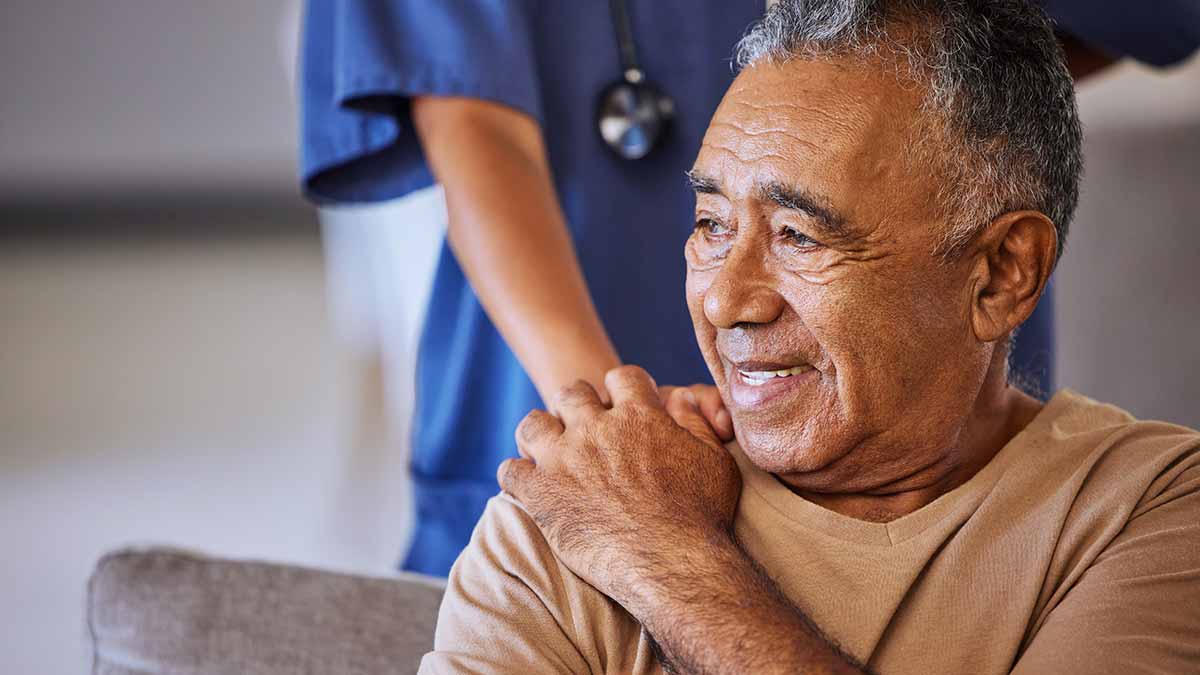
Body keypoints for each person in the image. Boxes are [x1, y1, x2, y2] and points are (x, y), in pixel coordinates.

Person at [419, 1, 1200, 673]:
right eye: (710, 225)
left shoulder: (1153, 512)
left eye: (799, 236)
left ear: (1000, 274)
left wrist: (666, 557)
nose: (726, 300)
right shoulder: (574, 512)